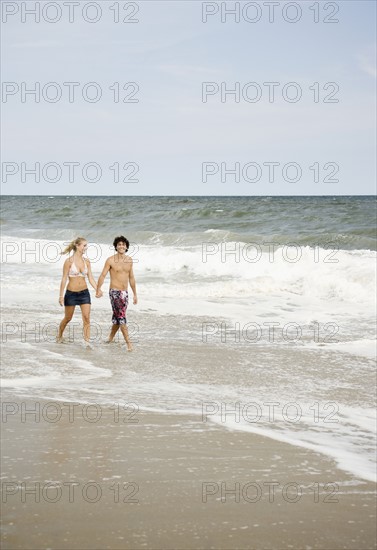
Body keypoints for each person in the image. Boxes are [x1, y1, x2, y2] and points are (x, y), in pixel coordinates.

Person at [96, 236, 137, 351]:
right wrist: (98, 289)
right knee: (122, 317)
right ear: (116, 246)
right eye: (119, 244)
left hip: (125, 293)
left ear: (126, 246)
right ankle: (129, 344)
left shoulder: (129, 260)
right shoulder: (110, 260)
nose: (121, 246)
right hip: (114, 292)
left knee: (118, 317)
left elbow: (132, 278)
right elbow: (103, 275)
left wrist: (135, 294)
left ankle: (110, 338)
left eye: (123, 244)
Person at [57, 237, 99, 347]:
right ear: (77, 245)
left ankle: (87, 342)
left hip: (84, 293)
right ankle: (59, 335)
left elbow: (90, 278)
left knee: (86, 318)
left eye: (86, 245)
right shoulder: (68, 262)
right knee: (68, 318)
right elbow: (64, 279)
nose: (86, 247)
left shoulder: (87, 262)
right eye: (84, 245)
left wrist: (97, 289)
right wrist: (61, 296)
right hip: (71, 294)